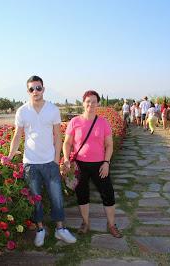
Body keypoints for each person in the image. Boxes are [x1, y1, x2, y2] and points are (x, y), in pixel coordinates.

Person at [7, 75, 76, 247]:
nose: (35, 91)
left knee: (56, 197)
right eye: (32, 89)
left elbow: (58, 136)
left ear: (43, 89)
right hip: (30, 163)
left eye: (38, 88)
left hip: (49, 162)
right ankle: (40, 230)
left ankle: (60, 229)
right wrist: (9, 156)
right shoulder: (22, 111)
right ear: (28, 91)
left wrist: (55, 160)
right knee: (35, 198)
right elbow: (17, 136)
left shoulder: (52, 109)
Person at [62, 90, 123, 238]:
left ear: (98, 103)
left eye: (94, 101)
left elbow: (109, 145)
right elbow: (67, 143)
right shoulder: (75, 122)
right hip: (80, 165)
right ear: (83, 103)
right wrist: (65, 159)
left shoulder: (103, 122)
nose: (91, 104)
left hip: (99, 165)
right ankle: (85, 223)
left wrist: (106, 163)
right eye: (88, 101)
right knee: (82, 195)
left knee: (108, 194)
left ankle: (111, 224)